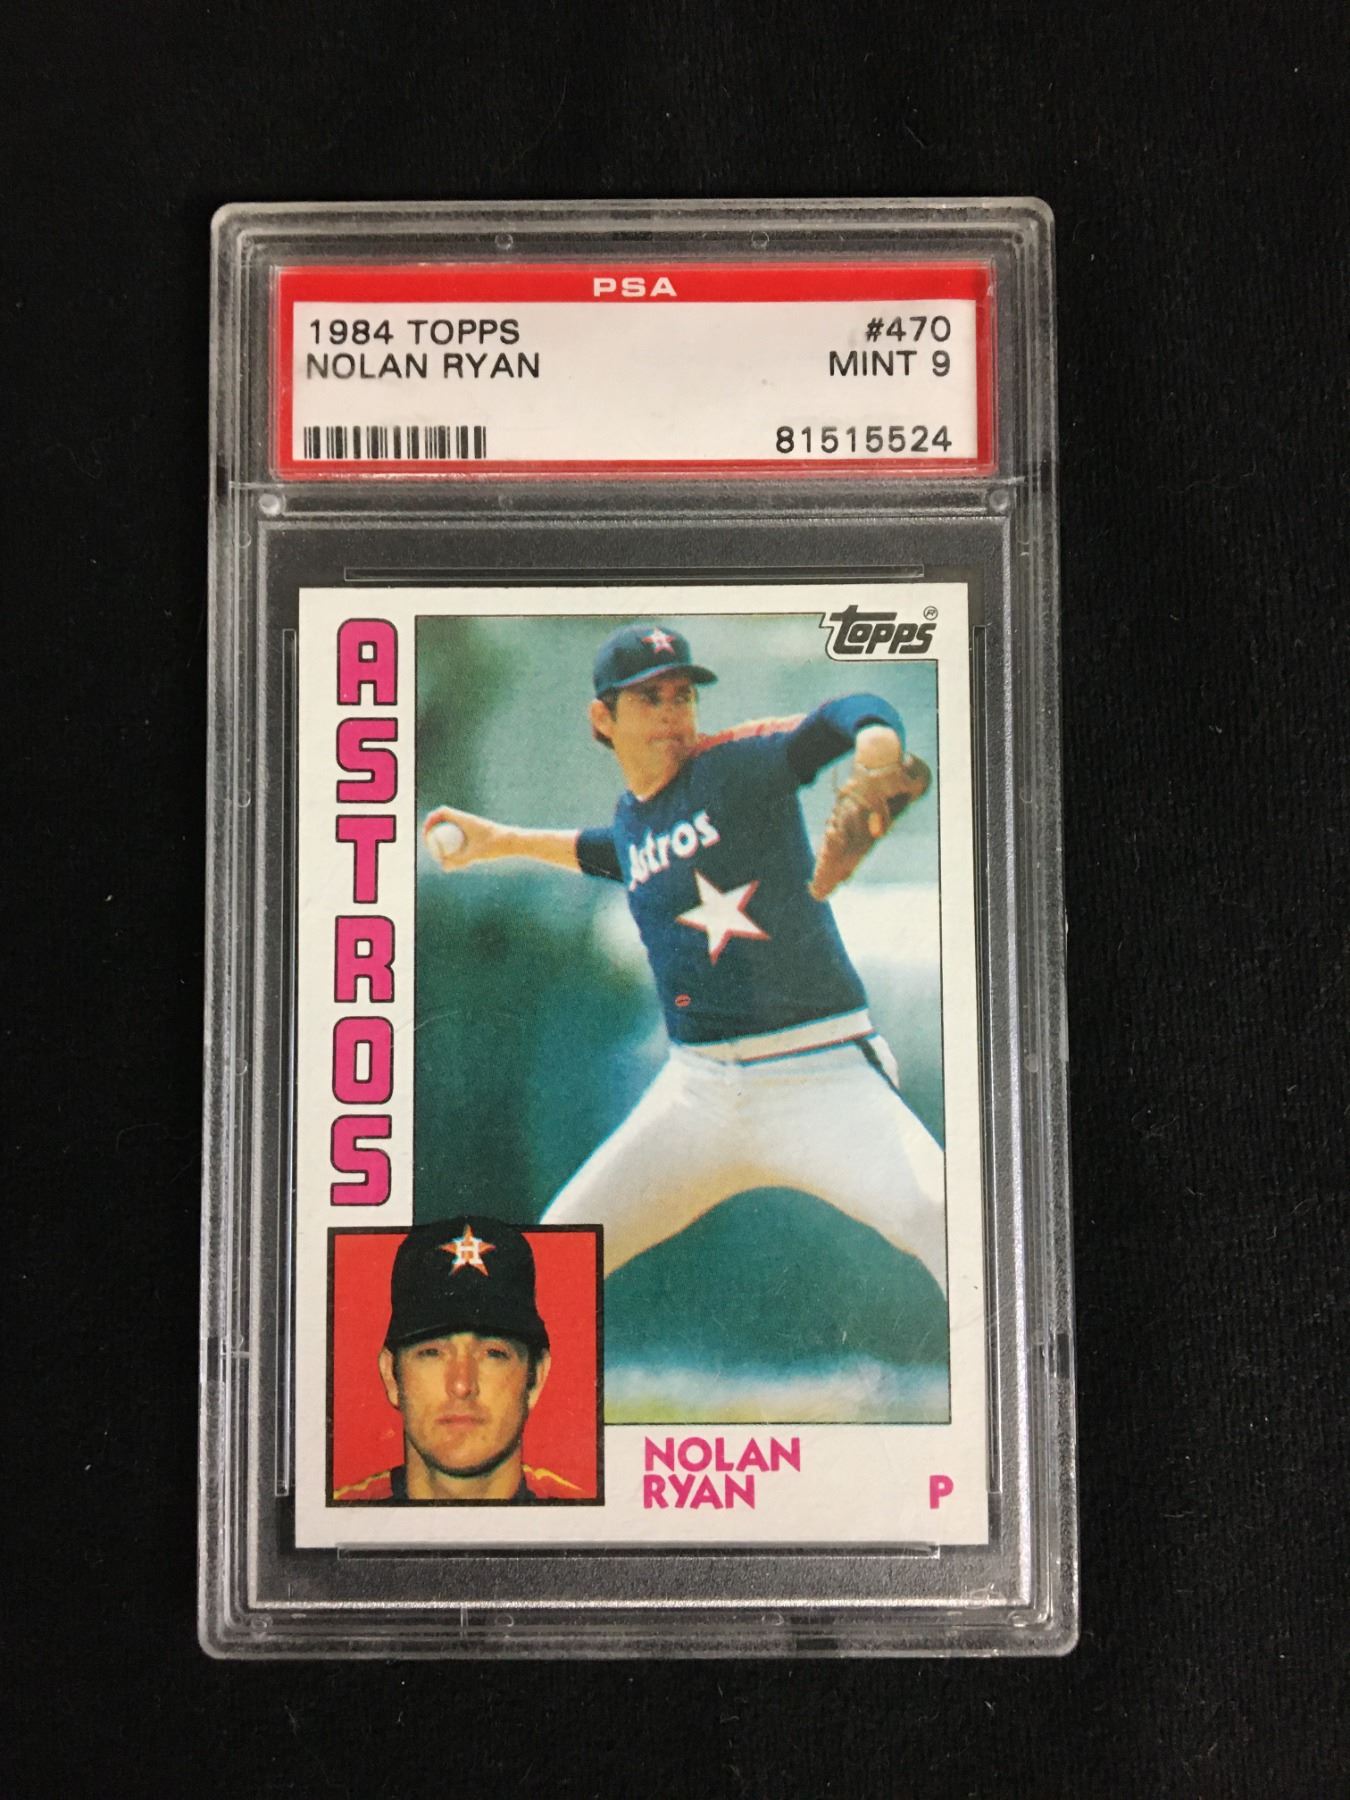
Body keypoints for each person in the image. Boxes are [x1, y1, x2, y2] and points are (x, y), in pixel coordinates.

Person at [421, 621, 947, 1295]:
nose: (672, 714)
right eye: (650, 699)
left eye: (683, 696)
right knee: (550, 1265)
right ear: (603, 719)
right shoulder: (636, 821)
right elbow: (615, 852)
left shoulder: (737, 765)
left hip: (820, 1078)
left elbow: (846, 714)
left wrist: (876, 746)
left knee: (946, 1220)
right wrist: (502, 841)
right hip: (699, 1095)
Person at [334, 1215, 582, 1503]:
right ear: (391, 1375)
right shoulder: (338, 1518)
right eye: (431, 1352)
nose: (462, 1385)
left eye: (493, 1353)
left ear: (536, 1377)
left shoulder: (588, 1519)